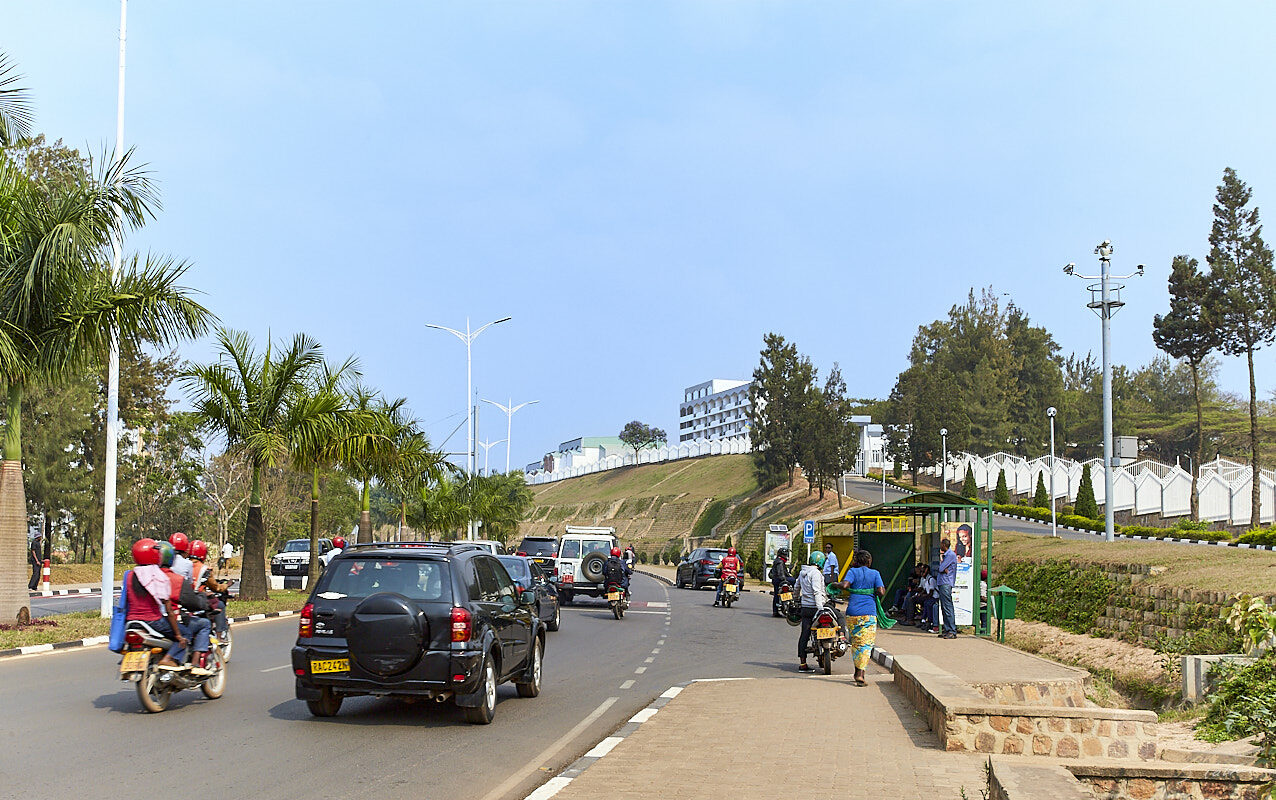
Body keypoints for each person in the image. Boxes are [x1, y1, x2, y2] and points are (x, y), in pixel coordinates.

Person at [124, 538, 194, 672]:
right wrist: (178, 635)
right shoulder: (157, 575)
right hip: (153, 621)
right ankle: (169, 658)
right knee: (187, 632)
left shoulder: (129, 575)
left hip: (131, 622)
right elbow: (169, 609)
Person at [157, 541, 213, 674]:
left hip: (146, 621)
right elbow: (191, 602)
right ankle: (195, 664)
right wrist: (203, 601)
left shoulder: (139, 576)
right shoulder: (176, 579)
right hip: (168, 620)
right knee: (204, 624)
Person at [836, 549, 887, 686]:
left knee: (856, 643)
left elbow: (845, 585)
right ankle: (860, 673)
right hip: (869, 613)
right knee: (866, 644)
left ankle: (858, 672)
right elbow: (881, 591)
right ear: (869, 561)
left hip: (853, 613)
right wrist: (872, 590)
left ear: (856, 562)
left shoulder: (852, 572)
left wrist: (834, 584)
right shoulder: (875, 573)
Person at [795, 551, 828, 672]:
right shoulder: (816, 573)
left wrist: (795, 599)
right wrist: (820, 609)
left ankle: (803, 663)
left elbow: (796, 587)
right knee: (838, 616)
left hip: (805, 608)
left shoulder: (802, 572)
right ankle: (841, 637)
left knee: (805, 634)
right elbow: (817, 592)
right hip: (815, 607)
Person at [936, 537, 958, 639]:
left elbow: (940, 568)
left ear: (944, 545)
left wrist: (943, 568)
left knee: (948, 607)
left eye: (941, 545)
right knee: (944, 607)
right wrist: (943, 568)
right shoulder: (945, 555)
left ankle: (952, 631)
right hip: (942, 583)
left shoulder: (950, 555)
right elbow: (942, 569)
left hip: (946, 583)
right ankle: (947, 629)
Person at [768, 547, 795, 617]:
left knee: (776, 594)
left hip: (777, 579)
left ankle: (775, 611)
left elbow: (784, 572)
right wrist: (785, 580)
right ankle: (794, 595)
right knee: (793, 580)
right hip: (779, 580)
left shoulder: (778, 560)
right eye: (784, 554)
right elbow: (781, 573)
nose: (786, 556)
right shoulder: (780, 562)